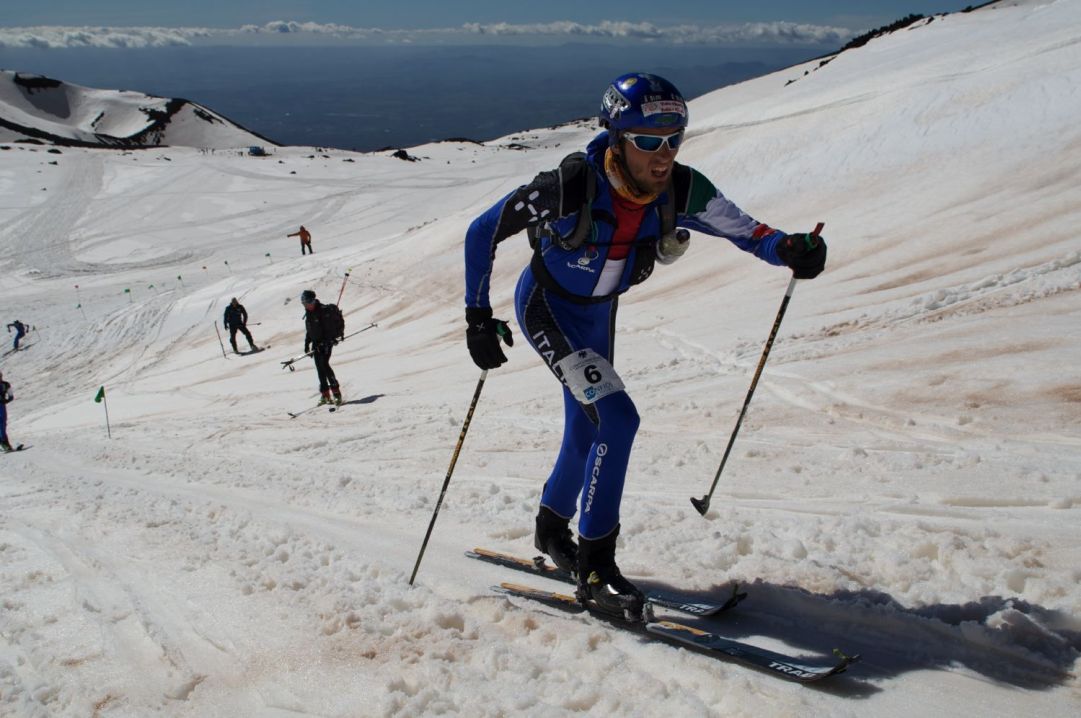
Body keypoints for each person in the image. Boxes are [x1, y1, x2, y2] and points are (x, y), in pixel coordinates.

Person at [462, 72, 827, 620]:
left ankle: (550, 528)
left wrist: (791, 249)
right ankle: (594, 566)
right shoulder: (570, 186)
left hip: (598, 315)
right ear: (616, 137)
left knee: (588, 428)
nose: (664, 155)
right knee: (618, 419)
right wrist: (476, 316)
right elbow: (482, 230)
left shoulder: (682, 189)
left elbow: (749, 232)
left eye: (674, 139)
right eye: (648, 141)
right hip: (549, 308)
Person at [300, 289, 345, 405]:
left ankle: (336, 394)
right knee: (319, 368)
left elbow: (329, 330)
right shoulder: (309, 313)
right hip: (316, 344)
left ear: (313, 301)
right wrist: (307, 345)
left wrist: (325, 343)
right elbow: (309, 331)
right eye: (304, 303)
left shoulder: (324, 311)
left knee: (324, 365)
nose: (306, 305)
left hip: (327, 343)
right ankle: (325, 395)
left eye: (307, 303)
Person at [0, 371, 15, 452]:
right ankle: (4, 443)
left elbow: (11, 396)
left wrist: (6, 401)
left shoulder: (5, 384)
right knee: (2, 424)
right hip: (1, 405)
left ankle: (5, 443)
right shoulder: (5, 384)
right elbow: (11, 396)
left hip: (1, 405)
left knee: (3, 424)